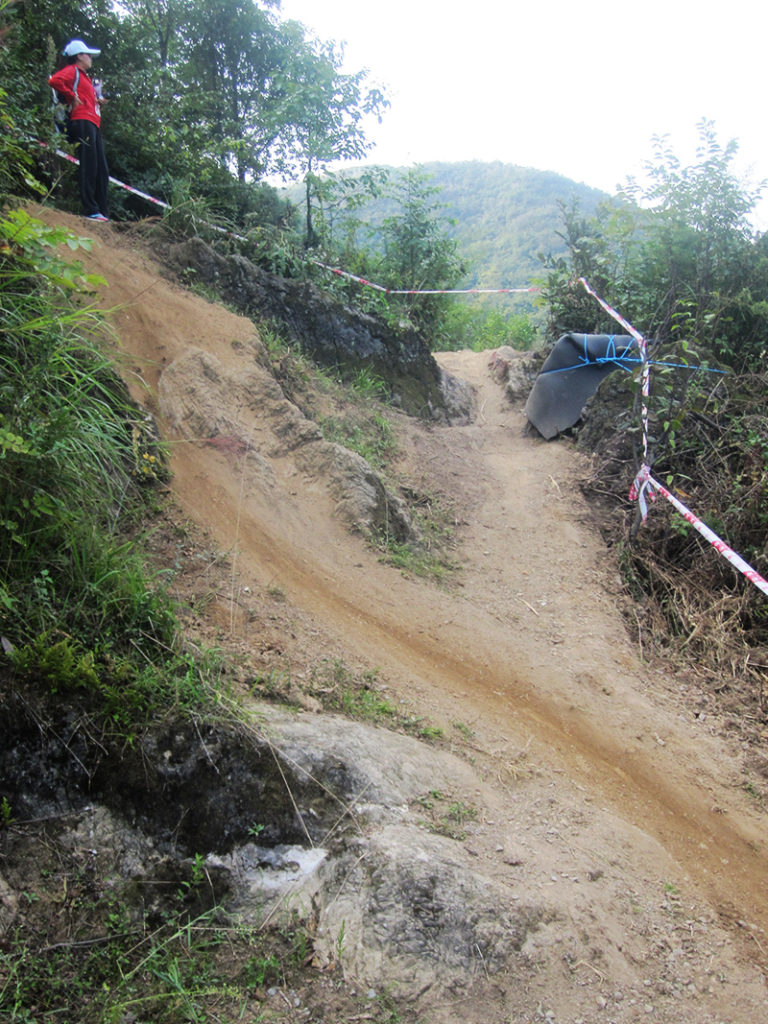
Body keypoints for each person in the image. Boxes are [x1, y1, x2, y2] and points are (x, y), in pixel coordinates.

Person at [49, 39, 110, 222]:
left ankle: (102, 213)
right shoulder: (73, 71)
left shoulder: (85, 78)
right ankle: (91, 209)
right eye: (87, 54)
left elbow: (84, 97)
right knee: (89, 165)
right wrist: (71, 96)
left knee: (102, 169)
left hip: (92, 123)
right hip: (81, 120)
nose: (90, 58)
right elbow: (55, 80)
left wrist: (97, 102)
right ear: (79, 56)